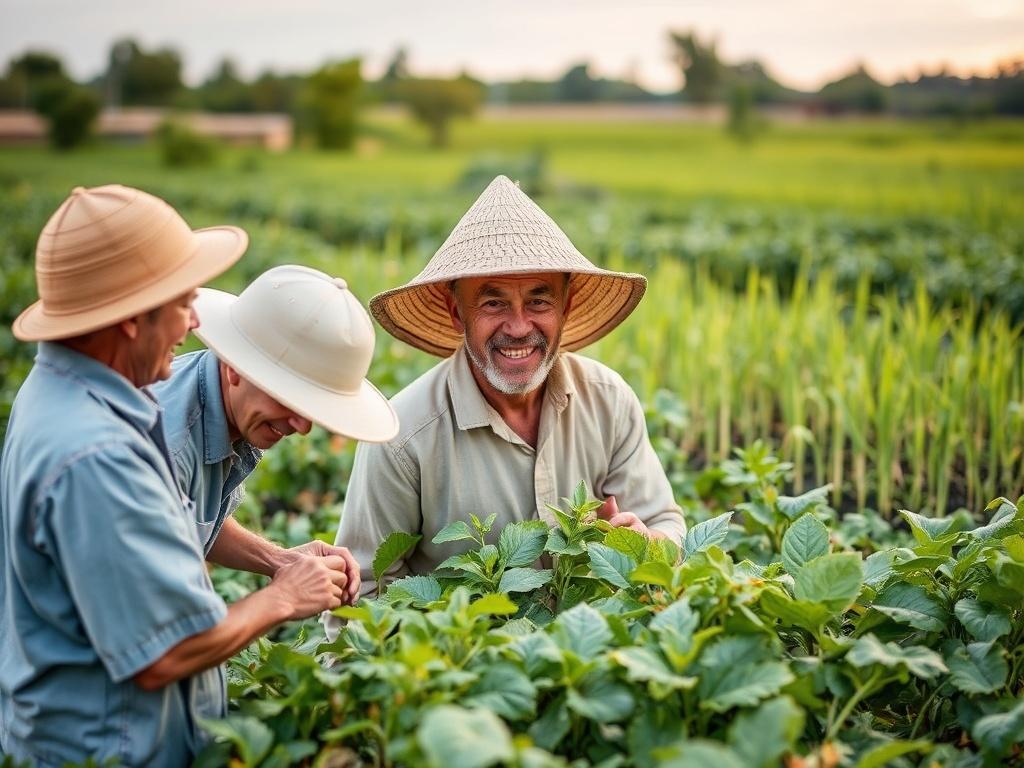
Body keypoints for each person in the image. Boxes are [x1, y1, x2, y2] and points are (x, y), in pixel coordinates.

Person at [0, 185, 348, 767]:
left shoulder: (69, 394)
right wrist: (282, 599)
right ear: (134, 320)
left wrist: (279, 561)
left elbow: (169, 529)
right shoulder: (99, 456)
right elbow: (165, 653)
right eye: (183, 301)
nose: (192, 323)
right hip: (109, 749)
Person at [332, 175, 685, 597]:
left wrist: (646, 543)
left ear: (566, 307)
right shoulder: (401, 436)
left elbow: (666, 524)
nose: (518, 327)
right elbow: (360, 594)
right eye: (493, 302)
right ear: (456, 311)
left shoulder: (607, 400)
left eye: (539, 300)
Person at [153, 265, 399, 602]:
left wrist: (282, 560)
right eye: (288, 398)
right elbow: (156, 640)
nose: (302, 426)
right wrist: (283, 598)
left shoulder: (222, 403)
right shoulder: (166, 452)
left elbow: (192, 520)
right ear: (236, 367)